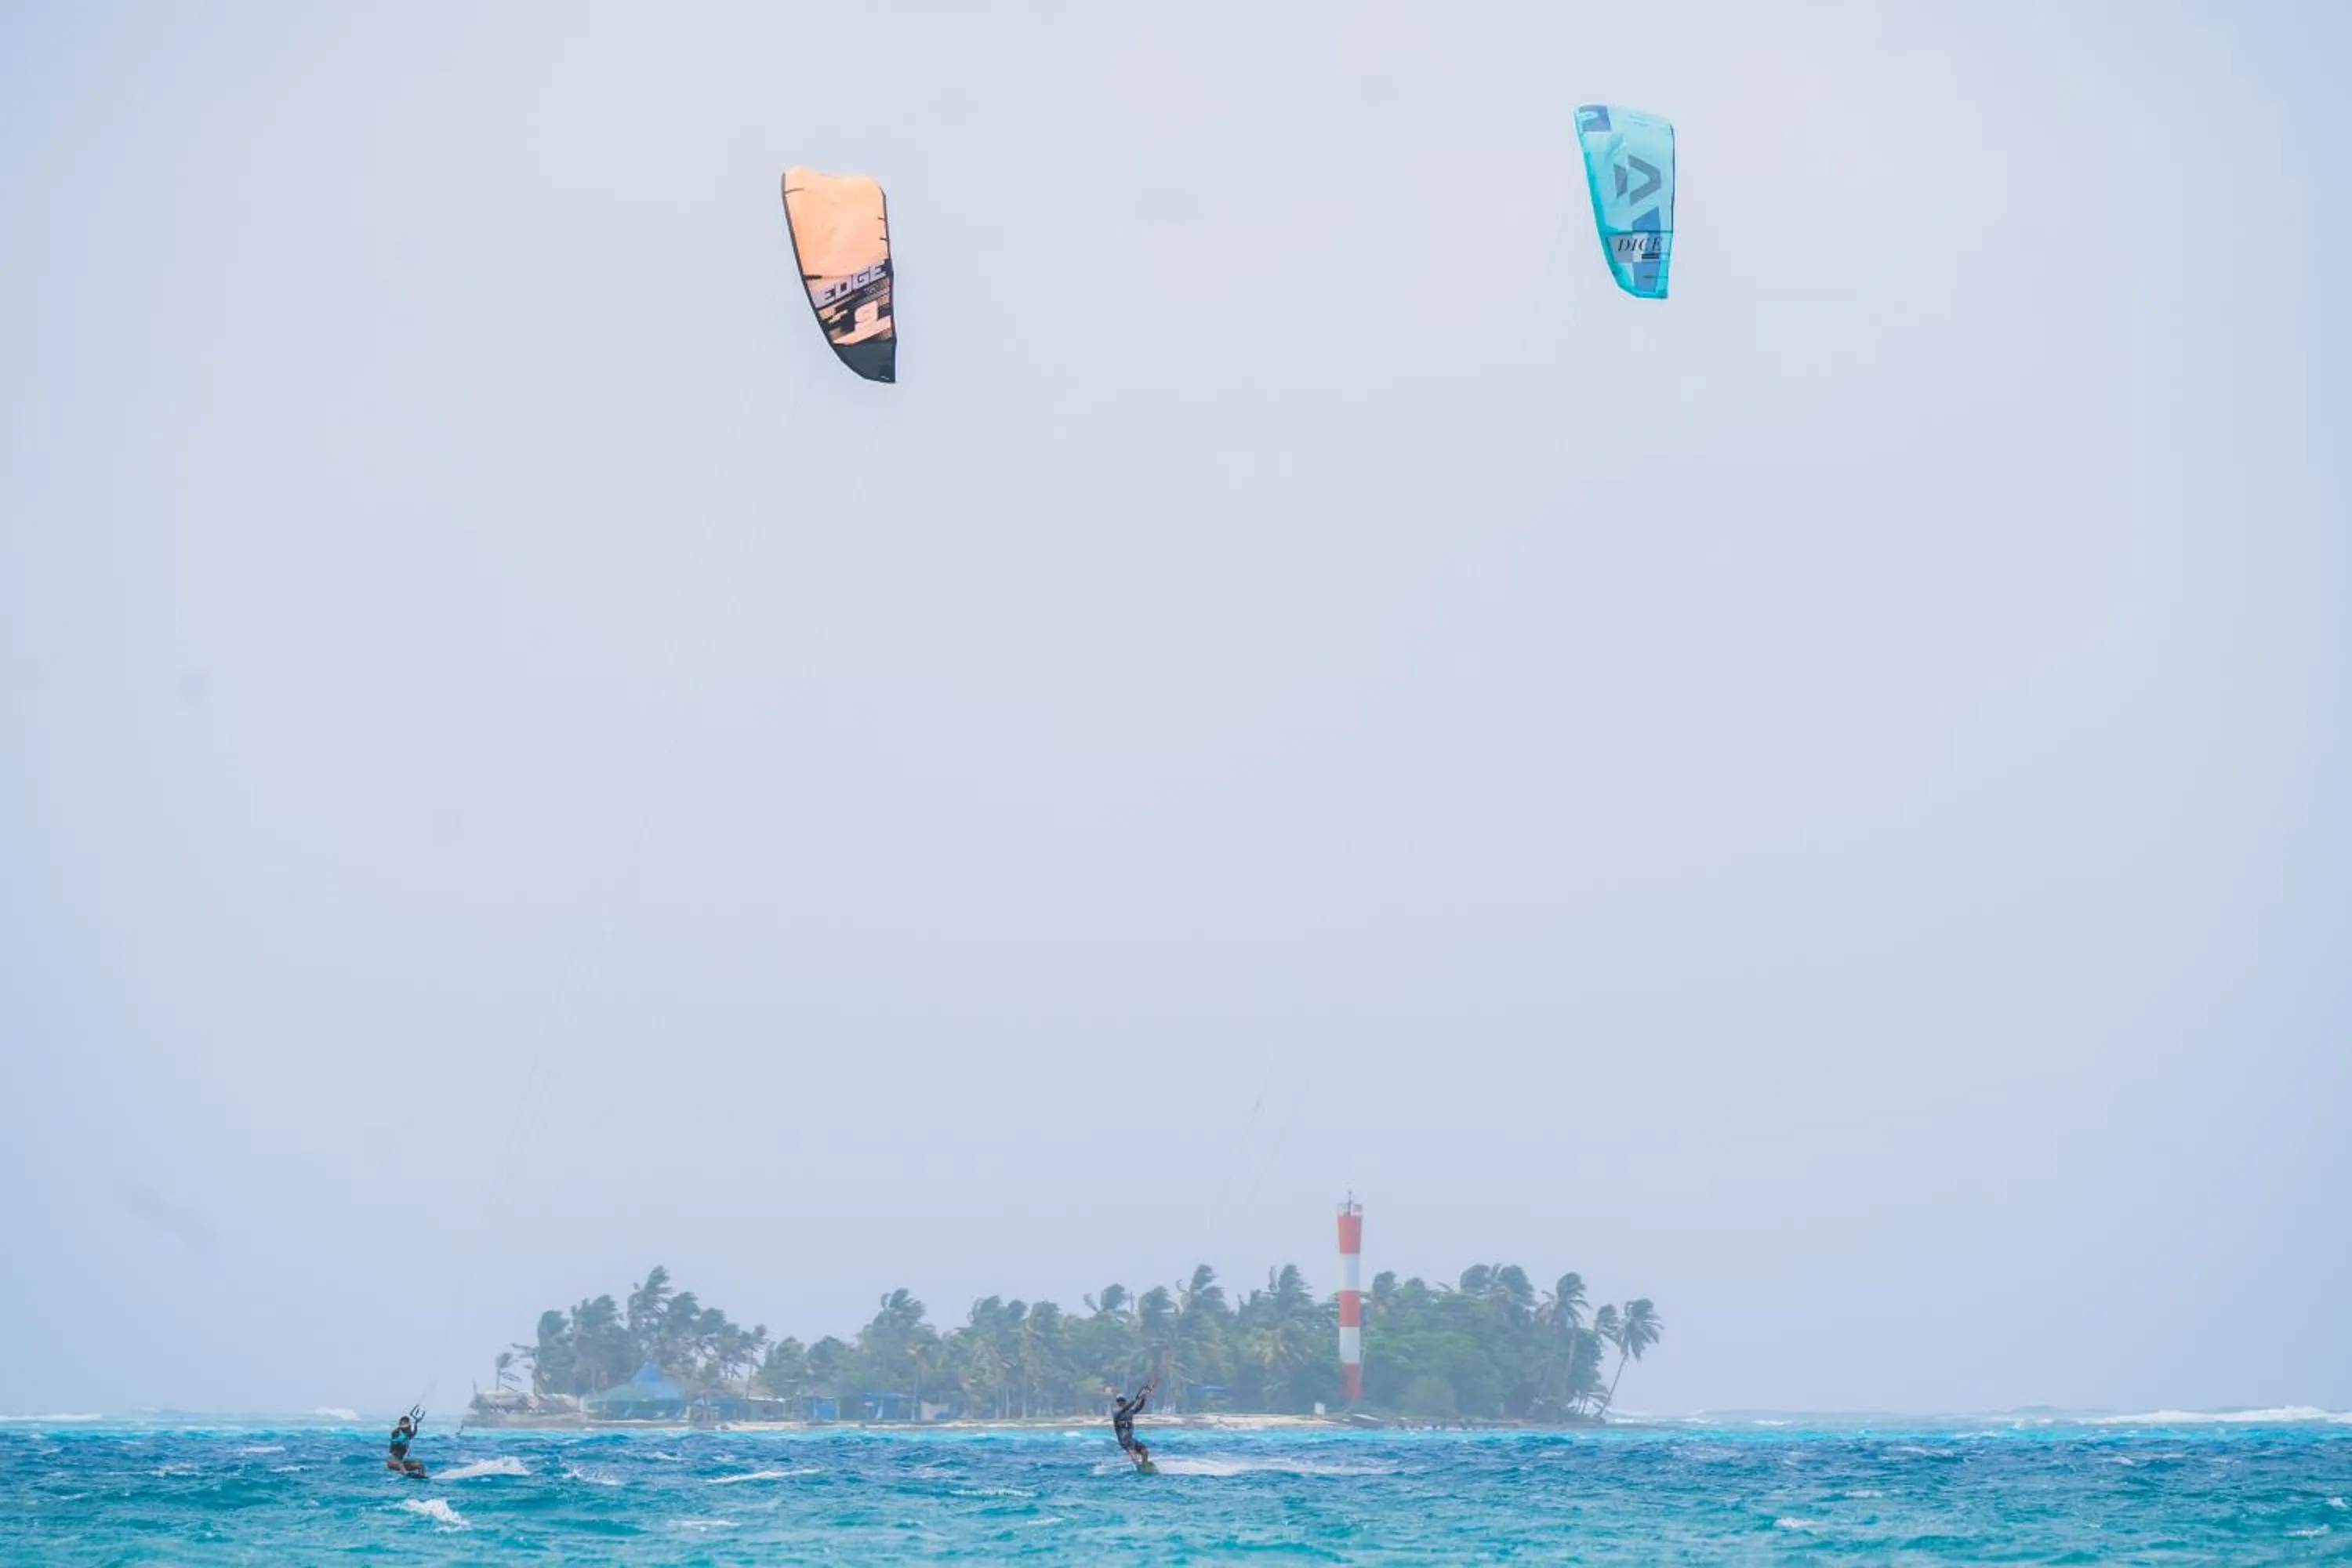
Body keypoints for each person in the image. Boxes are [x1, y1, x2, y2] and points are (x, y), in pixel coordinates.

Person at [1111, 1377, 1156, 1471]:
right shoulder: (1116, 1411)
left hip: (1131, 1438)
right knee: (1132, 1452)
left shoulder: (1130, 1411)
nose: (1121, 1402)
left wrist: (1143, 1399)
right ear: (1117, 1402)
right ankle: (1138, 1466)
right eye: (1119, 1401)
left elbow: (1139, 1407)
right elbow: (1125, 1408)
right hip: (1123, 1439)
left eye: (1122, 1400)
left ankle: (1144, 1465)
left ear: (1125, 1401)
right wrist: (1136, 1400)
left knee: (1145, 1451)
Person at [387, 1406, 428, 1478]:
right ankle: (406, 1474)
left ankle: (422, 1477)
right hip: (392, 1462)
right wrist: (402, 1426)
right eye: (404, 1424)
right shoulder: (396, 1433)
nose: (406, 1426)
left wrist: (416, 1424)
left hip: (401, 1462)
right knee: (400, 1464)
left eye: (407, 1424)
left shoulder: (408, 1435)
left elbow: (414, 1433)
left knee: (419, 1464)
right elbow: (396, 1431)